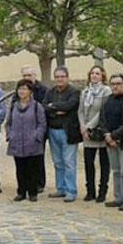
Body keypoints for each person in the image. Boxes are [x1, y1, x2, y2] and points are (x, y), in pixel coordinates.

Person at [99, 73, 123, 211]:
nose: (115, 86)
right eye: (113, 84)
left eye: (118, 83)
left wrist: (114, 136)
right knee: (116, 171)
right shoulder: (107, 100)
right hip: (110, 141)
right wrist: (107, 135)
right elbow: (102, 120)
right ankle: (119, 197)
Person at [43, 67, 81, 202]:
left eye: (62, 76)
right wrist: (57, 109)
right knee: (58, 162)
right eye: (57, 76)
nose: (60, 79)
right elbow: (45, 107)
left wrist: (54, 106)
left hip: (68, 131)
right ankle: (61, 188)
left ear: (67, 77)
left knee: (69, 162)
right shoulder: (50, 91)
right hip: (53, 130)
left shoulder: (74, 92)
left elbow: (70, 105)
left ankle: (71, 191)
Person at [5, 79, 47, 202]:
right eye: (20, 89)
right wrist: (10, 135)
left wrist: (37, 136)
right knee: (20, 169)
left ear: (30, 91)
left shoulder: (36, 106)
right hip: (17, 142)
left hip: (32, 143)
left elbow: (42, 124)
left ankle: (32, 192)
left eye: (24, 89)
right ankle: (21, 191)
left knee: (32, 169)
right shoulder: (14, 106)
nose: (22, 91)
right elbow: (8, 123)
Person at [78, 65, 111, 202]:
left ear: (102, 75)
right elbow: (80, 110)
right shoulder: (85, 91)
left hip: (99, 130)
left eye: (97, 73)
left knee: (104, 163)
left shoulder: (106, 91)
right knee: (88, 163)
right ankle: (90, 191)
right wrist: (82, 126)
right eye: (92, 73)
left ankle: (102, 191)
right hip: (87, 133)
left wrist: (89, 126)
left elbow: (102, 111)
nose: (94, 75)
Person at [21, 65, 48, 192]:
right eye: (24, 75)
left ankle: (39, 183)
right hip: (23, 131)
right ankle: (26, 182)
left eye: (29, 75)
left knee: (37, 157)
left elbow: (44, 109)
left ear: (34, 76)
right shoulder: (20, 89)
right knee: (24, 158)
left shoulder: (43, 90)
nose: (27, 78)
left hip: (37, 129)